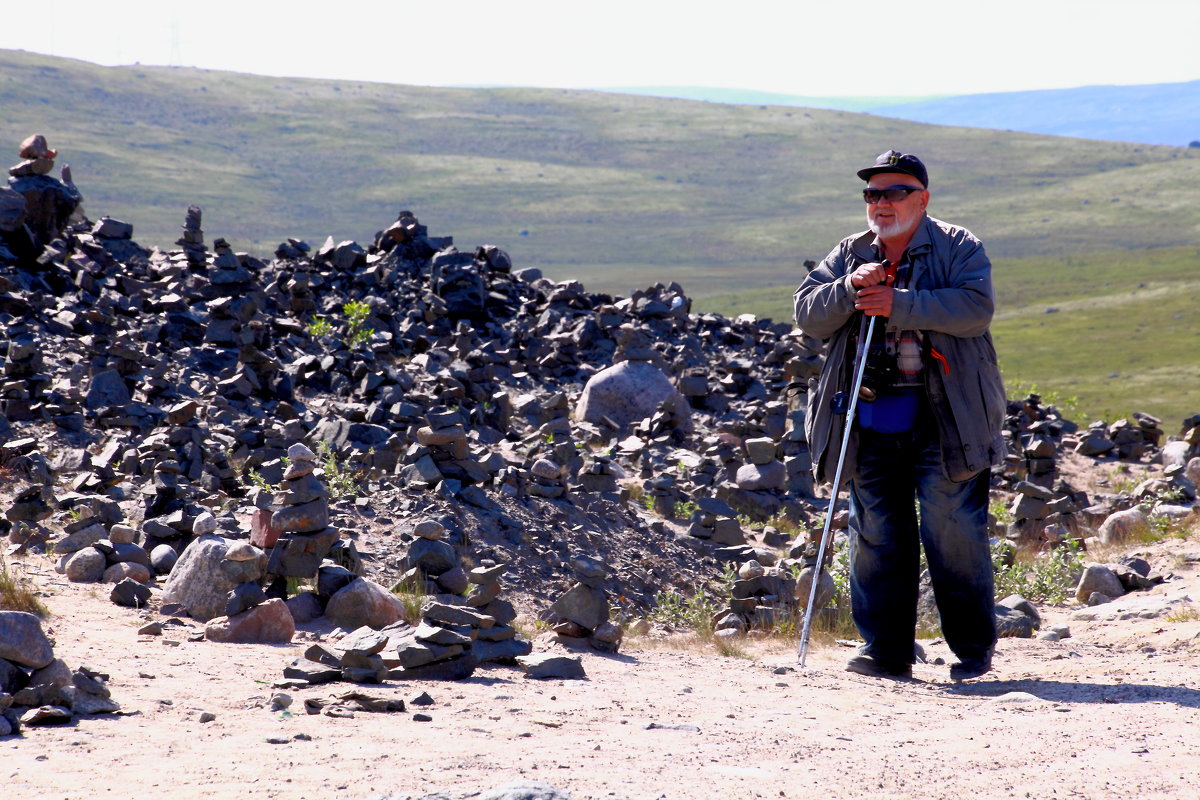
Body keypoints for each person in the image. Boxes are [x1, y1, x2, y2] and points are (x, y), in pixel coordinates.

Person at [793, 150, 1007, 681]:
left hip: (948, 420)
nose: (881, 203)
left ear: (923, 198)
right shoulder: (850, 252)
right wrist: (848, 289)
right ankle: (886, 650)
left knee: (954, 529)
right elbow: (807, 315)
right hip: (868, 422)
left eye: (894, 192)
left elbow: (975, 308)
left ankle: (972, 651)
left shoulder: (959, 247)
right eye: (872, 194)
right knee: (877, 534)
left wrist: (899, 303)